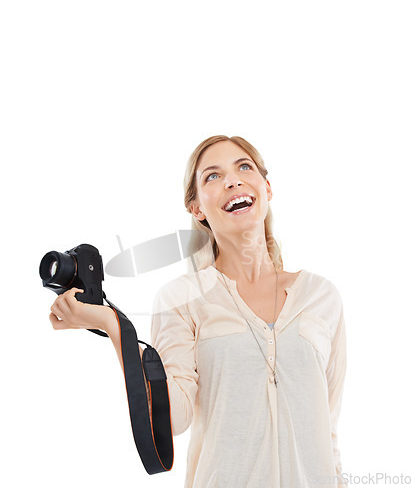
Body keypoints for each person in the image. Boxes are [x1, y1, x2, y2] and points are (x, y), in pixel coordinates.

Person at [49, 135, 348, 488]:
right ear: (197, 209)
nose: (233, 180)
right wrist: (115, 328)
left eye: (244, 167)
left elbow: (326, 427)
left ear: (266, 187)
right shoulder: (183, 298)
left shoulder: (321, 296)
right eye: (212, 176)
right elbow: (173, 417)